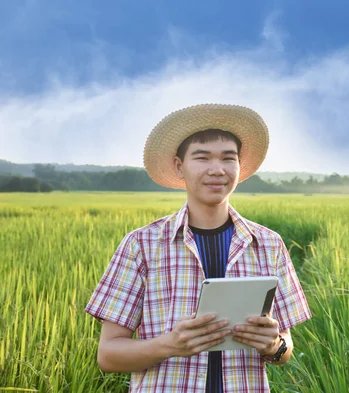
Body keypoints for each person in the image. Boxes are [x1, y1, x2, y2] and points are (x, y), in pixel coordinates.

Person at [84, 104, 312, 392]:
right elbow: (108, 355)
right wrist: (169, 344)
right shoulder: (141, 245)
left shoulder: (268, 244)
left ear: (239, 168)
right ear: (180, 166)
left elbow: (285, 347)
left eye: (228, 158)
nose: (217, 170)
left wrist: (273, 345)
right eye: (202, 158)